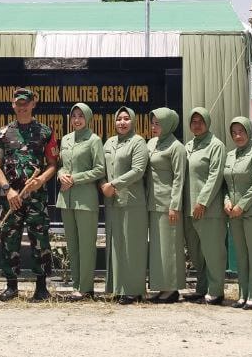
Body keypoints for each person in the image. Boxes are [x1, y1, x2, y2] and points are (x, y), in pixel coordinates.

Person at [0, 88, 58, 301]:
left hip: (36, 197)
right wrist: (7, 190)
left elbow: (53, 164)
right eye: (18, 103)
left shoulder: (45, 132)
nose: (22, 106)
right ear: (13, 105)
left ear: (33, 104)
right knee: (9, 239)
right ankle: (11, 286)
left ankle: (41, 287)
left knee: (40, 240)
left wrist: (41, 180)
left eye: (26, 103)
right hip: (12, 198)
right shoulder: (2, 133)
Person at [56, 102, 105, 299]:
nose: (77, 120)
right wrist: (61, 175)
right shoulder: (66, 139)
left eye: (81, 116)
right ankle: (76, 285)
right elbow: (61, 165)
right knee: (73, 245)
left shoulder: (94, 140)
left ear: (88, 118)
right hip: (66, 199)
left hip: (85, 200)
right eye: (74, 116)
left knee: (86, 246)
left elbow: (100, 169)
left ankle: (86, 288)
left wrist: (75, 179)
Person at [102, 106, 148, 303]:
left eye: (126, 118)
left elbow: (138, 170)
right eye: (119, 118)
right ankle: (118, 288)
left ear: (133, 121)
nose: (122, 122)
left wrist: (114, 184)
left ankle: (133, 290)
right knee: (115, 244)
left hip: (132, 201)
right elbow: (101, 169)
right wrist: (103, 185)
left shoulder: (138, 142)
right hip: (112, 201)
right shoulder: (109, 142)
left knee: (132, 245)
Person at [183, 107, 227, 304]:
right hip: (189, 209)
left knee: (212, 251)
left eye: (201, 121)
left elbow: (215, 176)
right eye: (193, 121)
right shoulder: (189, 146)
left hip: (208, 209)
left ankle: (216, 291)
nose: (197, 125)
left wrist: (202, 201)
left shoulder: (215, 145)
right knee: (196, 253)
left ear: (208, 122)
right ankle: (202, 289)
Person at [224, 116, 252, 309]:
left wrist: (241, 205)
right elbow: (226, 184)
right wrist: (227, 201)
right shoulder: (230, 156)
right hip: (234, 214)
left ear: (249, 132)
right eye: (234, 133)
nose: (238, 136)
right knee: (241, 255)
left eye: (241, 132)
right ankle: (242, 294)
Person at [146, 107, 186, 303]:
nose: (154, 127)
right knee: (158, 248)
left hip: (168, 203)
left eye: (158, 124)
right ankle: (162, 286)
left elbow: (179, 177)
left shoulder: (176, 147)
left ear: (169, 124)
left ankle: (171, 289)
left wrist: (175, 205)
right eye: (153, 123)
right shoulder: (152, 143)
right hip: (152, 202)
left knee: (170, 246)